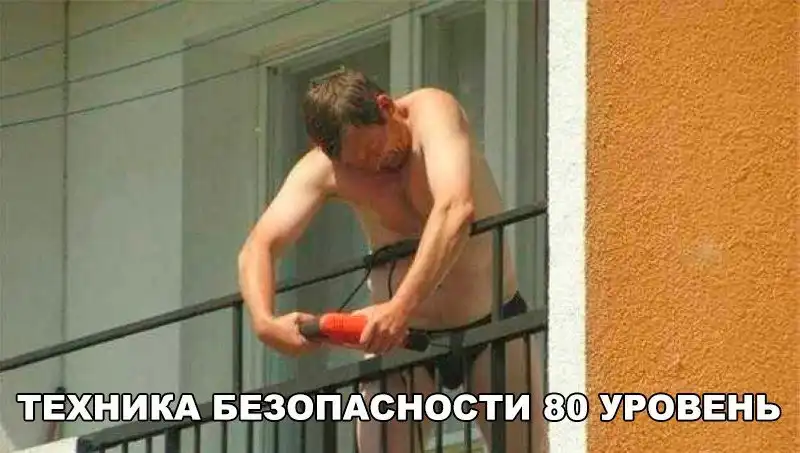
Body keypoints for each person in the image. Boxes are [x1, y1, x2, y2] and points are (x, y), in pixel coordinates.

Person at [237, 68, 547, 453]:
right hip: (400, 340)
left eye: (373, 149)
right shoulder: (327, 169)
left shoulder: (434, 112)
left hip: (491, 321)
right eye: (357, 164)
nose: (374, 165)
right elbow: (259, 246)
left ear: (386, 107)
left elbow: (455, 210)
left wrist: (400, 306)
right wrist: (264, 322)